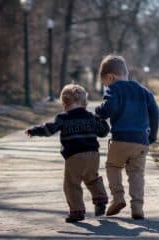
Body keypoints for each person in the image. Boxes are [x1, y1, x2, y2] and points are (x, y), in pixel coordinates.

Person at [25, 84, 109, 223]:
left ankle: (77, 211)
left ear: (64, 103)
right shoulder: (91, 117)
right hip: (93, 155)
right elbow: (104, 132)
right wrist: (101, 120)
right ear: (85, 103)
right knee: (92, 178)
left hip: (74, 156)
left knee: (72, 184)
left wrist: (34, 131)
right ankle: (100, 200)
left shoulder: (63, 118)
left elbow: (49, 129)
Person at [95, 55, 159, 220]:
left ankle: (118, 197)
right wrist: (152, 135)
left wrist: (99, 111)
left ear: (111, 77)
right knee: (137, 173)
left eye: (105, 84)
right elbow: (155, 111)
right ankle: (137, 207)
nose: (106, 87)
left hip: (121, 139)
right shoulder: (143, 90)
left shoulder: (113, 89)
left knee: (113, 166)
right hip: (141, 141)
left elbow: (109, 107)